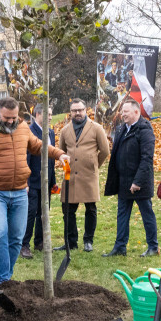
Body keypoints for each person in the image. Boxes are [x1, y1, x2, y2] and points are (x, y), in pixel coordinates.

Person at [0, 97, 67, 284]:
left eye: (14, 117)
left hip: (19, 191)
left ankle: (6, 278)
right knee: (0, 232)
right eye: (6, 118)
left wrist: (59, 154)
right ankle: (2, 280)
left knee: (17, 238)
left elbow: (37, 146)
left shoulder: (22, 127)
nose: (11, 121)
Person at [103, 99, 159, 257]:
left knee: (146, 214)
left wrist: (137, 181)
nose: (122, 114)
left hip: (139, 183)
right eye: (122, 112)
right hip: (123, 181)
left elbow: (147, 158)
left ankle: (153, 247)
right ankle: (120, 247)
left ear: (136, 112)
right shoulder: (122, 128)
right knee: (122, 215)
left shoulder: (145, 130)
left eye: (125, 112)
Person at [57, 98, 110, 252]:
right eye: (74, 110)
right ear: (70, 112)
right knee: (67, 210)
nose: (78, 113)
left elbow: (105, 151)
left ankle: (88, 241)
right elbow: (61, 151)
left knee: (90, 209)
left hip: (89, 175)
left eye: (80, 110)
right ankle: (70, 241)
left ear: (85, 110)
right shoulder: (65, 131)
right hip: (70, 176)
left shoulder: (97, 128)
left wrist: (94, 165)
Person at [20, 104, 55, 258]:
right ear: (38, 114)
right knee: (30, 212)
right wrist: (25, 182)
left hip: (46, 181)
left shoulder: (51, 133)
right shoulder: (29, 132)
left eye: (51, 114)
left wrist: (53, 181)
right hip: (32, 181)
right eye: (48, 114)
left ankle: (39, 242)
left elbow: (51, 159)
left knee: (44, 213)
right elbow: (26, 158)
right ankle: (23, 245)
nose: (51, 117)